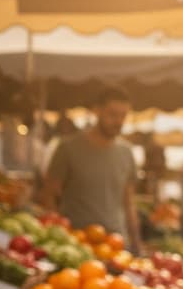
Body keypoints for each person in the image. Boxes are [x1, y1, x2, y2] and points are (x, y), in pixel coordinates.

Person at [40, 87, 141, 250]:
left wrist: (136, 243)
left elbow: (129, 202)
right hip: (76, 243)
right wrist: (58, 235)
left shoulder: (127, 152)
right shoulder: (68, 148)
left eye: (123, 116)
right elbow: (49, 195)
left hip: (116, 244)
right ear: (97, 111)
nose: (118, 121)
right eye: (113, 114)